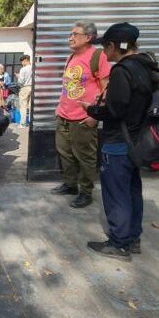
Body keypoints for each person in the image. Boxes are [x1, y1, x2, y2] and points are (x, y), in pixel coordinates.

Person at [80, 22, 159, 261]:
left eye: (105, 47)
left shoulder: (122, 71)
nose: (104, 53)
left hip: (118, 142)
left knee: (116, 194)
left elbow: (115, 110)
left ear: (115, 46)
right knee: (132, 190)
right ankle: (133, 238)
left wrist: (93, 110)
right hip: (138, 140)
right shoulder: (147, 67)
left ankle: (119, 244)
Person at [51, 21, 111, 208]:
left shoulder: (97, 56)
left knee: (85, 156)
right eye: (70, 34)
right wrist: (59, 108)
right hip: (64, 115)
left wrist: (96, 115)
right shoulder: (71, 57)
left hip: (83, 118)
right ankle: (70, 185)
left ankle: (85, 192)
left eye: (75, 34)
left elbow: (107, 87)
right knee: (65, 153)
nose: (70, 37)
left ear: (88, 37)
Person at [15, 55, 32, 128]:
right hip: (33, 87)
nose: (22, 63)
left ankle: (23, 123)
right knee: (32, 106)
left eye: (22, 61)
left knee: (23, 106)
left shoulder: (23, 69)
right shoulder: (34, 67)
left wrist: (18, 76)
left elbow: (21, 81)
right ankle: (31, 123)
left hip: (25, 87)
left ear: (25, 60)